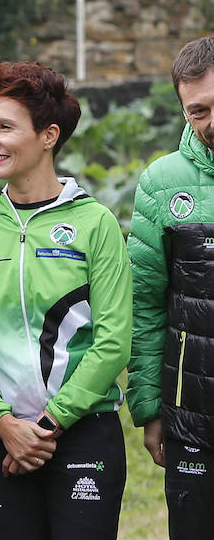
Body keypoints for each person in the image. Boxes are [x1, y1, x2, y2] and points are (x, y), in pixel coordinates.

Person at [0, 61, 132, 539]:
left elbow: (113, 342)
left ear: (49, 135)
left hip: (83, 431)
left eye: (5, 127)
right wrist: (3, 423)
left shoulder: (95, 223)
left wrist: (47, 426)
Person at [126, 36, 214, 540]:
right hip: (193, 418)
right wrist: (149, 409)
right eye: (197, 111)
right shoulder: (161, 183)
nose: (210, 123)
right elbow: (146, 306)